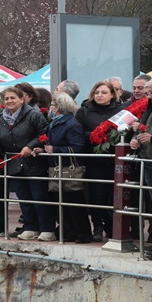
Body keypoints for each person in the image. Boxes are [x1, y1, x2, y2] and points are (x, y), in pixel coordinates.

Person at [0, 86, 55, 241]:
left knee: (39, 197)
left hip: (33, 162)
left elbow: (43, 134)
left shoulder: (33, 115)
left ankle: (47, 228)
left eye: (13, 98)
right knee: (24, 198)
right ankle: (31, 226)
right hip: (14, 163)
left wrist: (30, 146)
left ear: (21, 99)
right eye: (6, 98)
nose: (9, 101)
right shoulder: (2, 118)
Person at [40, 92, 92, 243]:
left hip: (69, 168)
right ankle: (68, 231)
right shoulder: (54, 123)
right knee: (61, 203)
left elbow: (78, 147)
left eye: (52, 106)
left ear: (58, 108)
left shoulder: (71, 124)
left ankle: (82, 233)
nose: (50, 108)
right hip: (57, 167)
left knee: (73, 202)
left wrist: (54, 149)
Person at [74, 80, 123, 242]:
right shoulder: (84, 111)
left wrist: (110, 136)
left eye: (103, 92)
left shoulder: (120, 110)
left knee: (113, 194)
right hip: (93, 159)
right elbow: (78, 133)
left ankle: (111, 226)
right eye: (97, 93)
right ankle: (97, 226)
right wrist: (95, 135)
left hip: (115, 159)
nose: (100, 95)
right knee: (96, 193)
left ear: (112, 95)